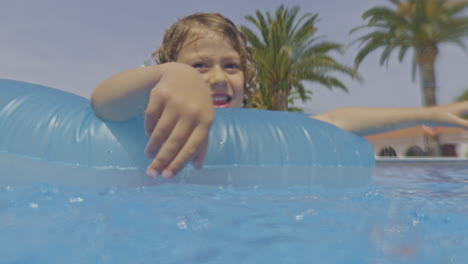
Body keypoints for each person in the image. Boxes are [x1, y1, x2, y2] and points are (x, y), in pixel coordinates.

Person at [91, 13, 468, 179]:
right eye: (199, 66)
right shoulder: (149, 117)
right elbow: (103, 103)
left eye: (232, 66)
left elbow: (337, 121)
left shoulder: (264, 134)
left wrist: (431, 114)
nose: (219, 77)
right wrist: (169, 76)